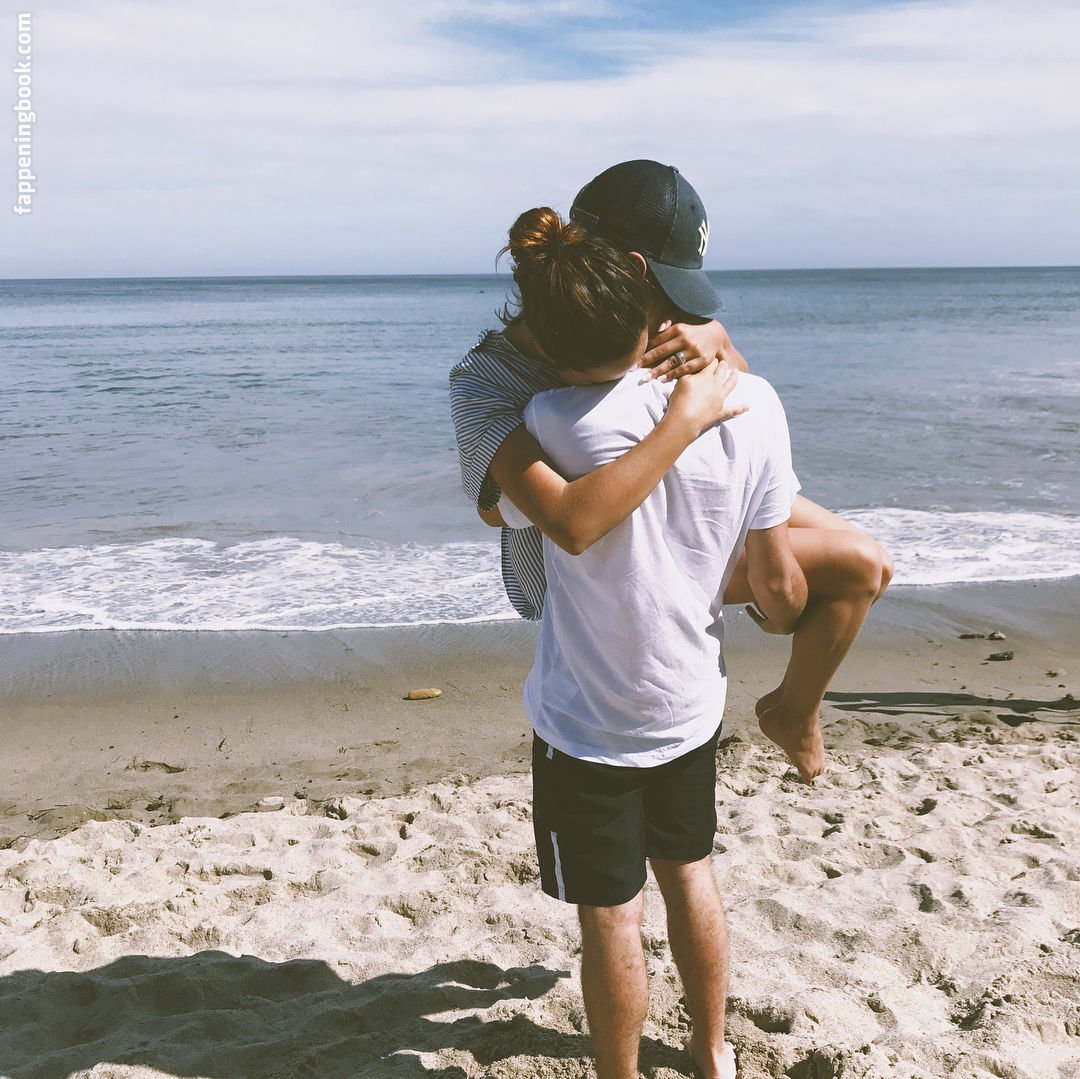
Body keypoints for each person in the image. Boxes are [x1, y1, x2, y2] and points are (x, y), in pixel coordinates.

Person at [450, 160, 891, 782]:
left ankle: (791, 689)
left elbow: (740, 389)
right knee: (856, 566)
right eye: (668, 287)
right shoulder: (491, 378)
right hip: (597, 565)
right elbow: (501, 511)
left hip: (686, 501)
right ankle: (793, 702)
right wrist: (672, 424)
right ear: (630, 269)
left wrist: (716, 337)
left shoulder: (654, 323)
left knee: (873, 562)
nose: (671, 309)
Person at [496, 204, 810, 1079]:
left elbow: (505, 512)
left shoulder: (547, 421)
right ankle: (713, 1052)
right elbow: (778, 586)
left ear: (547, 345)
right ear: (647, 307)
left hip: (586, 721)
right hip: (688, 701)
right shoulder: (751, 400)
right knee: (692, 875)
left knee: (611, 918)